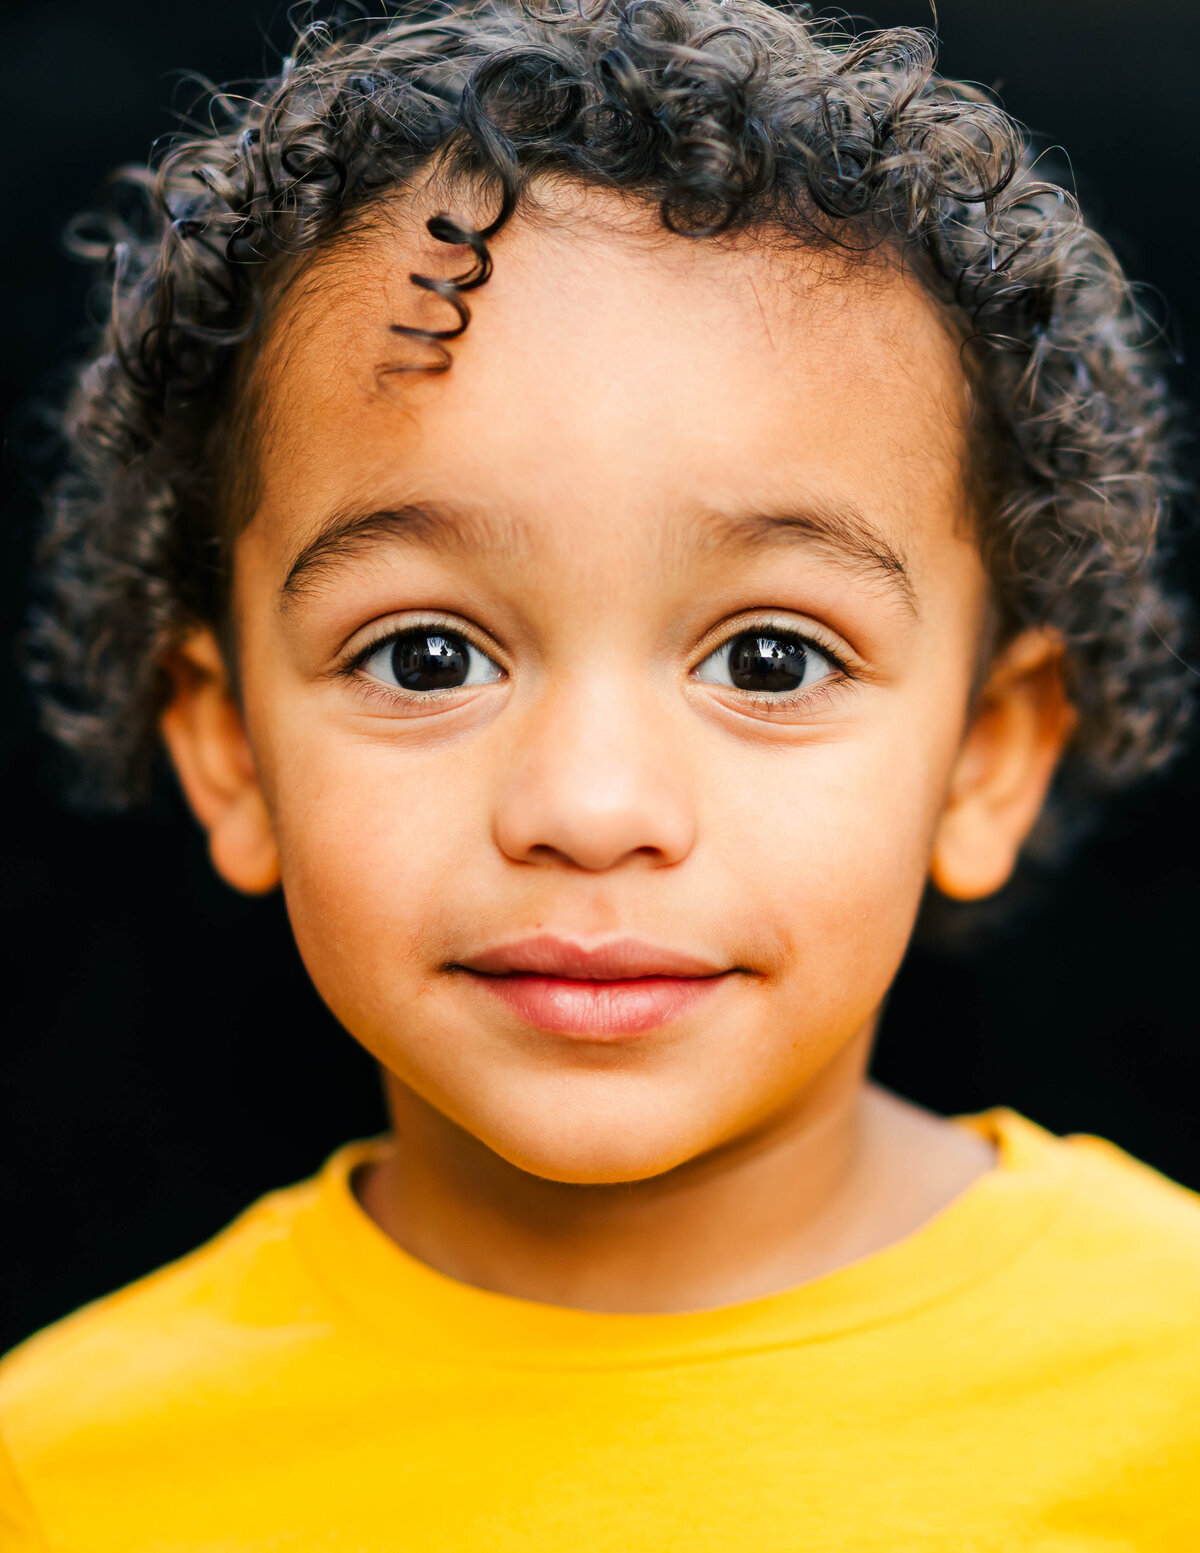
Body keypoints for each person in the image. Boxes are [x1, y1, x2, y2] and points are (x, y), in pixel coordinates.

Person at [3, 0, 1198, 1546]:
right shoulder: (65, 1469)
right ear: (229, 747)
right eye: (426, 655)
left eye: (771, 659)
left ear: (988, 756)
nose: (590, 806)